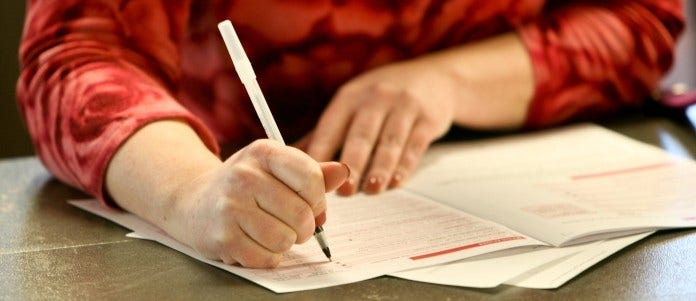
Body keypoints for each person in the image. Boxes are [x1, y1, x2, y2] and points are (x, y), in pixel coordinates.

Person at [16, 1, 684, 268]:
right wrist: (191, 191)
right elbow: (76, 55)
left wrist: (449, 81)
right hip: (220, 205)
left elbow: (638, 21)